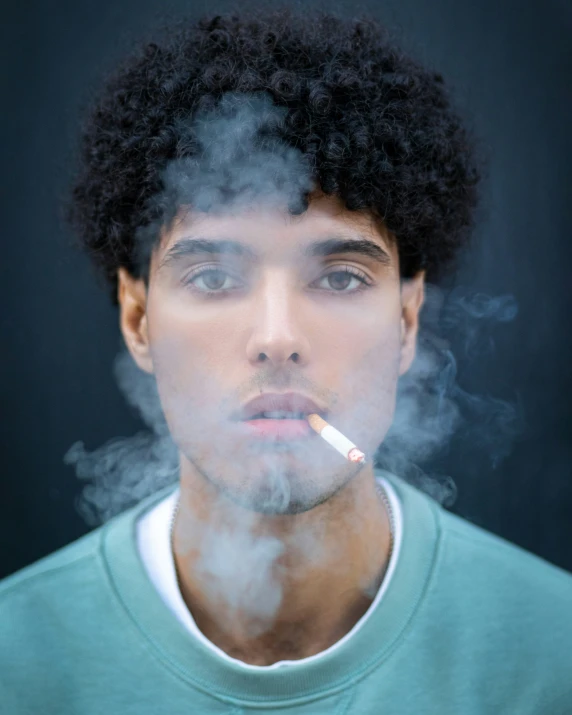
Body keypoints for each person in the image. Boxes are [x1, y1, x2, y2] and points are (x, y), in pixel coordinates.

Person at [1, 7, 571, 714]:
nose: (276, 336)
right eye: (213, 277)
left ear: (406, 318)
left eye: (339, 276)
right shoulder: (16, 663)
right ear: (138, 317)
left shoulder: (553, 656)